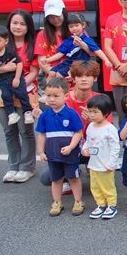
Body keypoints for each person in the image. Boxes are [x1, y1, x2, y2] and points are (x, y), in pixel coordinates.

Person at [36, 61, 112, 190]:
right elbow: (50, 127)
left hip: (92, 146)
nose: (84, 79)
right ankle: (70, 174)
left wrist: (93, 122)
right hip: (68, 147)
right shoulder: (62, 97)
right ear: (73, 78)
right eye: (79, 76)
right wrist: (39, 115)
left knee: (101, 177)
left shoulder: (101, 100)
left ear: (95, 78)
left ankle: (92, 169)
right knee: (46, 178)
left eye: (88, 76)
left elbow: (108, 130)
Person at [0, 9, 39, 183]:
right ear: (9, 24)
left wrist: (19, 85)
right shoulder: (0, 43)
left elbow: (34, 71)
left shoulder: (32, 45)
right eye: (15, 23)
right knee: (9, 131)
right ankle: (13, 166)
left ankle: (27, 167)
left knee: (25, 130)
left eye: (22, 24)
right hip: (2, 92)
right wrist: (5, 69)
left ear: (28, 26)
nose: (18, 27)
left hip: (25, 90)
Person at [35, 77, 85, 217]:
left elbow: (78, 132)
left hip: (70, 154)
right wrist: (41, 152)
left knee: (73, 178)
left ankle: (78, 201)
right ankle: (57, 202)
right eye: (48, 95)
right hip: (52, 154)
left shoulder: (71, 114)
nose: (52, 99)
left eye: (56, 96)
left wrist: (71, 147)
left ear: (66, 96)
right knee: (56, 179)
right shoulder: (45, 115)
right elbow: (42, 135)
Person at [81, 94, 121, 220]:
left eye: (95, 112)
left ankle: (111, 205)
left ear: (106, 113)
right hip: (93, 164)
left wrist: (111, 163)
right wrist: (84, 149)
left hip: (105, 165)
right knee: (95, 187)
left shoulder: (110, 129)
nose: (91, 115)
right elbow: (87, 141)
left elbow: (115, 148)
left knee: (107, 186)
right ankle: (101, 204)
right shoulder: (91, 126)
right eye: (90, 111)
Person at [0, 25, 34, 126]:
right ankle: (12, 114)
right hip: (3, 80)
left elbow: (19, 63)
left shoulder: (10, 51)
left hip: (15, 78)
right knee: (6, 96)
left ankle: (27, 111)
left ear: (6, 41)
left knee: (22, 94)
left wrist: (17, 78)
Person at [46, 13, 112, 78]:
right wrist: (47, 60)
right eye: (71, 27)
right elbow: (60, 54)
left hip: (80, 64)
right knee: (51, 72)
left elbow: (97, 50)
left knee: (59, 75)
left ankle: (62, 85)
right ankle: (49, 85)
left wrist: (106, 60)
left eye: (76, 25)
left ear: (83, 25)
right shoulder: (68, 40)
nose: (74, 28)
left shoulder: (87, 39)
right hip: (68, 63)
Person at [35, 0, 69, 82]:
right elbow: (41, 61)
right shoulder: (42, 34)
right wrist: (56, 74)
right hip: (53, 80)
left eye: (57, 15)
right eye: (51, 17)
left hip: (75, 77)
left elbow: (89, 52)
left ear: (63, 12)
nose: (55, 19)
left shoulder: (75, 30)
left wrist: (73, 73)